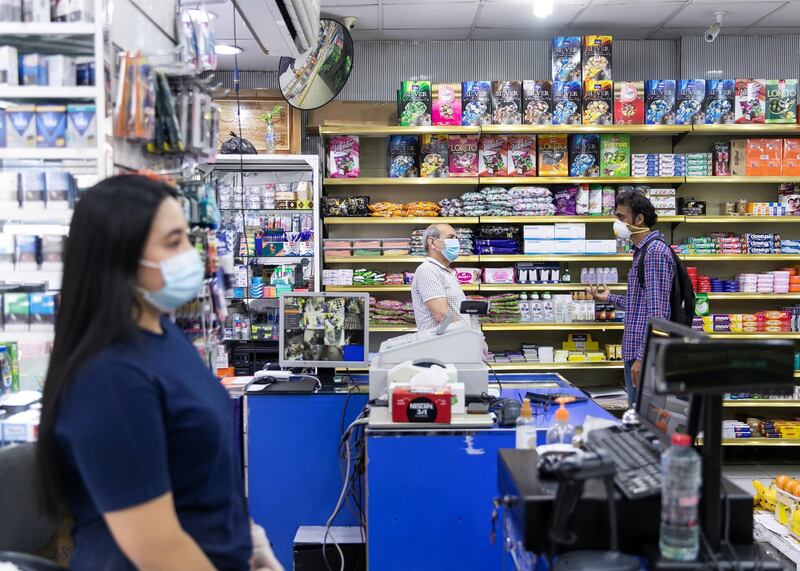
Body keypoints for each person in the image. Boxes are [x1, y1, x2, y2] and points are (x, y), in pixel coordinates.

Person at [36, 175, 282, 571]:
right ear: (120, 256)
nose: (191, 254)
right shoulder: (110, 377)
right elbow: (157, 549)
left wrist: (247, 540)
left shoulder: (162, 332)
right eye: (173, 242)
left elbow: (200, 471)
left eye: (187, 237)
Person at [586, 190, 675, 404]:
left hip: (644, 357)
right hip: (635, 353)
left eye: (621, 217)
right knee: (638, 418)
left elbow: (659, 314)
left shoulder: (654, 253)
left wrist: (644, 358)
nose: (617, 223)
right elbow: (641, 304)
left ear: (639, 219)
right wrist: (610, 297)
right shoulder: (642, 252)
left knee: (646, 424)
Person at [411, 223, 476, 331]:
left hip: (454, 342)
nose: (456, 242)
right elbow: (442, 315)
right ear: (433, 242)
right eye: (450, 238)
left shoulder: (445, 271)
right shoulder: (428, 270)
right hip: (440, 344)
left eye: (456, 238)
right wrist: (469, 337)